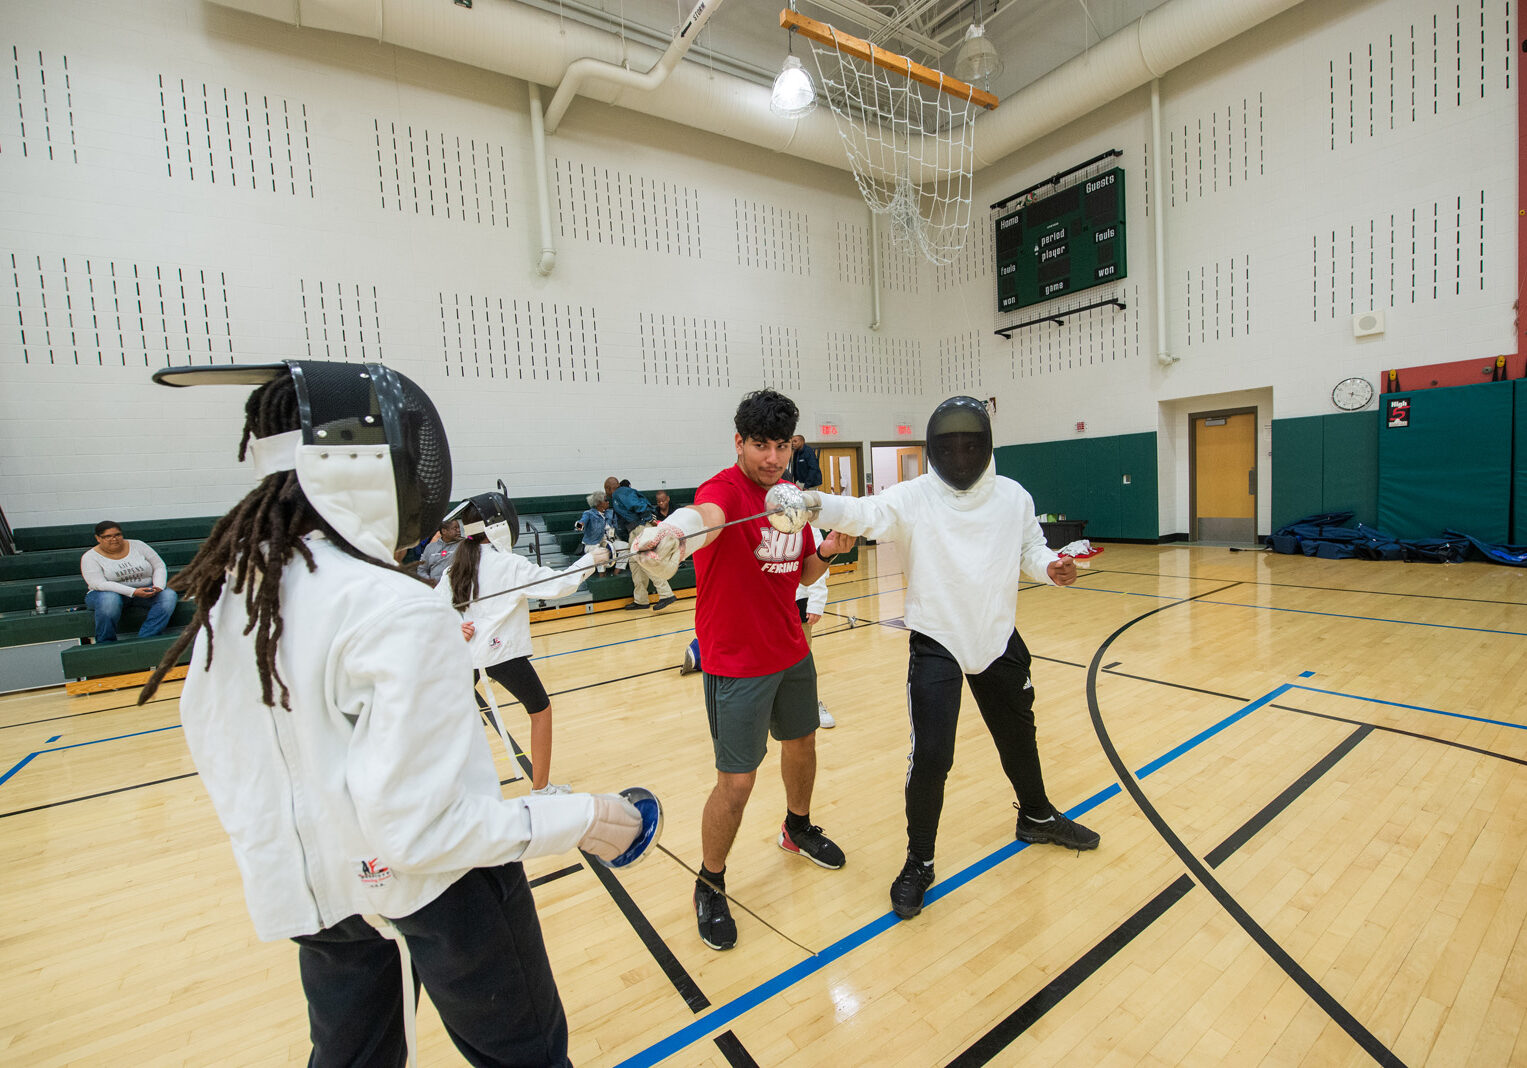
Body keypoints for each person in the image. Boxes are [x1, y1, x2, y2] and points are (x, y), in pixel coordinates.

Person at [139, 360, 645, 1068]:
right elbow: (426, 835)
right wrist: (583, 817)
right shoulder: (393, 604)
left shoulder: (231, 592)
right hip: (445, 891)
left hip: (320, 900)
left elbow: (226, 754)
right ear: (374, 466)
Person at [799, 395, 1099, 921]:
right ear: (935, 448)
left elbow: (1031, 548)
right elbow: (865, 513)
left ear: (985, 445)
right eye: (950, 444)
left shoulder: (1013, 497)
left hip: (997, 636)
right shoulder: (914, 497)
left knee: (1018, 736)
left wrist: (1052, 566)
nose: (960, 453)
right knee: (932, 757)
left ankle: (1036, 816)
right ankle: (920, 859)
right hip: (936, 639)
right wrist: (810, 503)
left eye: (970, 443)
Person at [632, 389, 854, 951]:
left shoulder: (789, 498)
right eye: (761, 445)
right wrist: (672, 534)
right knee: (737, 781)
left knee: (801, 745)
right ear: (739, 443)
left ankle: (796, 828)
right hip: (737, 663)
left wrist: (827, 548)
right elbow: (702, 517)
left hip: (790, 651)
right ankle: (710, 880)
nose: (773, 458)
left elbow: (801, 576)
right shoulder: (724, 492)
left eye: (781, 445)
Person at [442, 489, 608, 795]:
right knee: (540, 710)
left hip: (463, 657)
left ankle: (442, 791)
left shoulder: (457, 563)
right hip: (500, 654)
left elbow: (434, 606)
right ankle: (541, 789)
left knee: (448, 722)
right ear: (499, 526)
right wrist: (592, 559)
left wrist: (452, 628)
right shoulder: (509, 565)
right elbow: (558, 585)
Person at [80, 521, 178, 642]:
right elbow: (99, 584)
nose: (114, 539)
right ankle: (105, 642)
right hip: (106, 593)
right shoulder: (90, 557)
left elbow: (159, 566)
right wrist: (133, 591)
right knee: (109, 600)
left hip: (144, 590)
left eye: (117, 534)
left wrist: (158, 585)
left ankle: (147, 638)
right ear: (98, 538)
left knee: (168, 595)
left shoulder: (138, 545)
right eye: (108, 536)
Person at [795, 528, 834, 728]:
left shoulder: (804, 521)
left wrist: (817, 601)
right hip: (766, 602)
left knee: (802, 660)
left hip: (798, 599)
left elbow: (818, 559)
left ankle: (810, 705)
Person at [624, 519, 676, 611]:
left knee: (647, 564)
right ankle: (641, 600)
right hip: (632, 530)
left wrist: (649, 518)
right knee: (636, 567)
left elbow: (640, 506)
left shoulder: (624, 503)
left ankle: (666, 594)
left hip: (639, 528)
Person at [575, 491, 623, 573]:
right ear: (599, 503)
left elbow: (616, 526)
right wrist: (579, 525)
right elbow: (580, 524)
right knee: (600, 551)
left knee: (626, 547)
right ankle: (602, 573)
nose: (608, 502)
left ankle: (617, 570)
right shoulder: (589, 514)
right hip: (593, 543)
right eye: (606, 500)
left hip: (610, 541)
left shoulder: (610, 513)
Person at [415, 517, 463, 585]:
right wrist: (430, 582)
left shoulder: (463, 544)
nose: (459, 530)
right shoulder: (430, 547)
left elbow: (472, 538)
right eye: (455, 528)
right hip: (434, 588)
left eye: (459, 527)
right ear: (444, 531)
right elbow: (421, 570)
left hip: (456, 586)